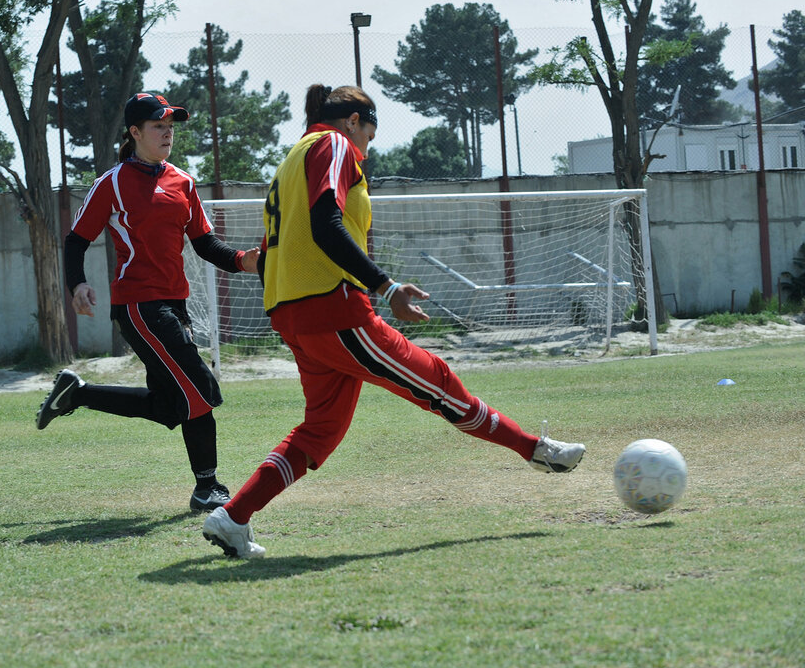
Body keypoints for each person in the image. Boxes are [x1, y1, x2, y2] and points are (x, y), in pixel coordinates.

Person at [202, 85, 587, 558]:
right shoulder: (334, 144)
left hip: (293, 314)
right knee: (439, 383)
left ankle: (233, 516)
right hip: (333, 310)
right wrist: (387, 287)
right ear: (354, 121)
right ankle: (535, 450)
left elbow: (279, 248)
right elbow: (325, 224)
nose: (367, 147)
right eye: (369, 134)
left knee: (321, 430)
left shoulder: (292, 157)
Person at [36, 92, 260, 512]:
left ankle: (78, 394)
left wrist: (242, 261)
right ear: (135, 132)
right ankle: (207, 487)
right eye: (159, 125)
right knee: (198, 386)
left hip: (175, 303)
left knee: (168, 406)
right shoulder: (112, 183)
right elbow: (76, 240)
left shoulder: (182, 182)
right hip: (139, 305)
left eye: (170, 126)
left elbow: (205, 244)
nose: (167, 132)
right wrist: (77, 284)